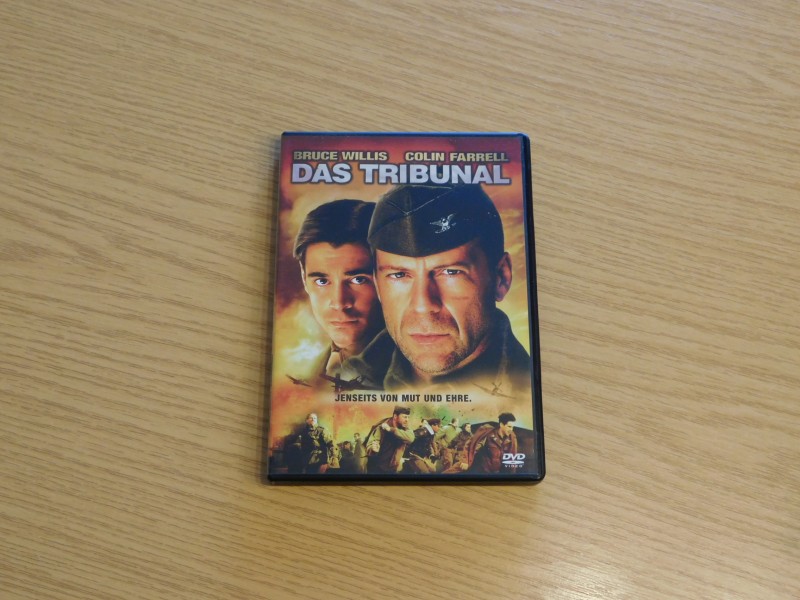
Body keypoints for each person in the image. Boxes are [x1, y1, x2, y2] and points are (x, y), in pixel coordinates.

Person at [365, 183, 531, 391]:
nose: (423, 305)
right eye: (399, 275)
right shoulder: (347, 378)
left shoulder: (529, 392)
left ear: (500, 278)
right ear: (378, 286)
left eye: (451, 272)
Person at [293, 199, 386, 386]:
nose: (339, 302)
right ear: (304, 279)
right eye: (322, 281)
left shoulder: (415, 377)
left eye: (358, 280)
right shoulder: (313, 371)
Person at [363, 406, 415, 474]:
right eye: (404, 417)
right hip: (376, 467)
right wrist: (373, 449)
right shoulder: (381, 427)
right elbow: (371, 443)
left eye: (408, 417)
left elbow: (411, 438)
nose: (407, 420)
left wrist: (391, 430)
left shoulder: (405, 427)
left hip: (391, 468)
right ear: (395, 416)